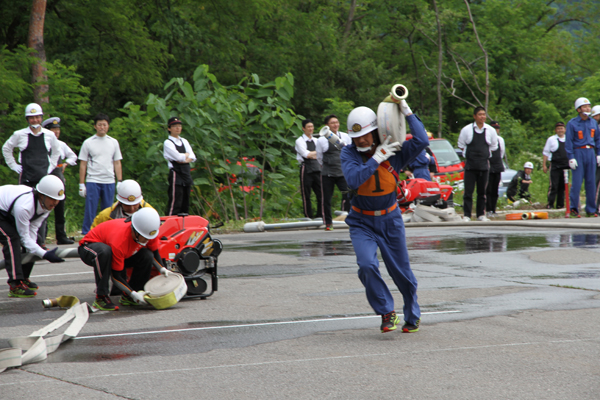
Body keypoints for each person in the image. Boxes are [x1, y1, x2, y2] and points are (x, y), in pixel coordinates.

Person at [340, 99, 426, 334]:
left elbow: (422, 141)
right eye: (356, 137)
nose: (361, 140)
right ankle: (386, 311)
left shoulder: (394, 149)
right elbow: (354, 179)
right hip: (361, 221)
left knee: (402, 272)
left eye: (366, 134)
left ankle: (412, 313)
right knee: (366, 265)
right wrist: (377, 158)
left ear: (376, 130)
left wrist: (406, 109)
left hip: (390, 219)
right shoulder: (348, 154)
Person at [78, 207, 170, 311]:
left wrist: (163, 269)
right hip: (89, 248)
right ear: (135, 231)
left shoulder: (148, 232)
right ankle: (101, 297)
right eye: (144, 237)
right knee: (105, 252)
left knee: (147, 255)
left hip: (114, 250)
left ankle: (129, 297)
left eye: (149, 238)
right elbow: (116, 276)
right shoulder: (120, 241)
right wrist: (133, 293)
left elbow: (154, 252)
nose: (147, 240)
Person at [3, 103, 61, 247]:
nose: (34, 120)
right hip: (27, 178)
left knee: (42, 210)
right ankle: (24, 242)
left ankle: (39, 242)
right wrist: (14, 165)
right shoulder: (19, 134)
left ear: (41, 117)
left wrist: (50, 167)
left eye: (37, 117)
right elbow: (6, 148)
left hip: (43, 179)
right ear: (27, 119)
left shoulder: (49, 135)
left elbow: (57, 151)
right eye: (31, 118)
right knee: (24, 209)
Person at [0, 175, 66, 297]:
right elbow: (24, 237)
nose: (55, 203)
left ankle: (24, 277)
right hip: (2, 211)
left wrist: (39, 248)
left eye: (57, 200)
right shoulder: (24, 207)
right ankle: (15, 284)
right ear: (42, 195)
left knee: (37, 241)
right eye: (53, 199)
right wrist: (44, 254)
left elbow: (33, 229)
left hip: (8, 212)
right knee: (12, 238)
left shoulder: (47, 205)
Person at [79, 114, 123, 234]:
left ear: (108, 126)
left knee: (108, 209)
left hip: (109, 180)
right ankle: (87, 232)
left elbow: (117, 162)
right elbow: (83, 164)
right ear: (95, 126)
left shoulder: (113, 142)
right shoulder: (88, 143)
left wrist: (120, 181)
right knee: (90, 208)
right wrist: (81, 184)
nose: (102, 127)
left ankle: (106, 232)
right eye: (99, 125)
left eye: (104, 124)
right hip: (93, 179)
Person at [457, 106, 499, 221]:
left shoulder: (490, 130)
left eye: (484, 114)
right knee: (468, 192)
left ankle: (481, 214)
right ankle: (467, 215)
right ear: (474, 116)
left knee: (482, 192)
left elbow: (494, 146)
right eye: (480, 114)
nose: (482, 116)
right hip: (470, 166)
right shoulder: (466, 130)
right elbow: (461, 145)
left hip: (484, 166)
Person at [42, 117, 78, 244]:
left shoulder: (61, 144)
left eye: (58, 129)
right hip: (45, 178)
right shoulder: (42, 143)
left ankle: (61, 236)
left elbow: (73, 156)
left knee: (60, 209)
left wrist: (65, 164)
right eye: (53, 129)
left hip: (58, 178)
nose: (56, 132)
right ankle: (42, 236)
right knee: (43, 208)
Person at [565, 97, 600, 218]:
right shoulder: (572, 123)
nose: (588, 109)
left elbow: (598, 139)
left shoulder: (593, 122)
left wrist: (599, 154)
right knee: (577, 183)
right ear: (578, 109)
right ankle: (574, 208)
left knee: (591, 183)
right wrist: (571, 157)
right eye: (585, 107)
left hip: (590, 152)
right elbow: (568, 141)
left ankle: (591, 209)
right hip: (578, 153)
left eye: (589, 106)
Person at [316, 114, 352, 230]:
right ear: (327, 125)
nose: (335, 124)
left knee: (350, 195)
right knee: (326, 199)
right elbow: (319, 157)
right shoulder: (321, 140)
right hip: (327, 173)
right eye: (332, 123)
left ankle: (352, 219)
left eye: (336, 122)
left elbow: (350, 152)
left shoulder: (345, 136)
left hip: (342, 172)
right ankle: (328, 223)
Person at [163, 116, 196, 216]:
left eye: (179, 126)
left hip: (186, 173)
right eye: (175, 126)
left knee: (185, 201)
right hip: (176, 174)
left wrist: (184, 158)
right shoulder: (168, 143)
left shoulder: (184, 141)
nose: (178, 128)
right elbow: (178, 158)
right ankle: (169, 223)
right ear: (169, 128)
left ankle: (184, 225)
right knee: (176, 201)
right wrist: (185, 156)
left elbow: (193, 156)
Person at [295, 119, 322, 219]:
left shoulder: (317, 140)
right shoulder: (299, 141)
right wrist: (316, 153)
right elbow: (306, 155)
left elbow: (321, 153)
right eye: (308, 127)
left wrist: (314, 154)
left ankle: (320, 214)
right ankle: (308, 216)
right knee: (306, 193)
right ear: (303, 128)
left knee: (320, 192)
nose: (311, 129)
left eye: (312, 126)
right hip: (306, 168)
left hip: (317, 167)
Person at [542, 122, 568, 209]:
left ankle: (560, 205)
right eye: (558, 128)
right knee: (554, 185)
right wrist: (544, 165)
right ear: (555, 130)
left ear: (565, 129)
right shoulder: (551, 139)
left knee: (563, 186)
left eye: (561, 128)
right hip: (555, 166)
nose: (560, 130)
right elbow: (546, 152)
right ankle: (550, 204)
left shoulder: (568, 139)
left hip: (565, 166)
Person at [486, 121, 505, 217]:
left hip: (497, 165)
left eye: (497, 129)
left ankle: (493, 209)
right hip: (489, 165)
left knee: (495, 189)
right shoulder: (486, 139)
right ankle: (488, 209)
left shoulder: (500, 140)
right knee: (488, 189)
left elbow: (501, 153)